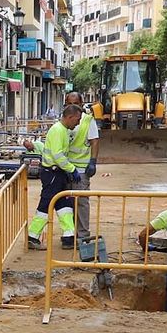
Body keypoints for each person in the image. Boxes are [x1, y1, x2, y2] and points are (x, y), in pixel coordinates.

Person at [26, 105, 88, 250]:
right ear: (70, 117)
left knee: (64, 205)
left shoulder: (62, 130)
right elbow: (57, 155)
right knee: (46, 205)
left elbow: (53, 151)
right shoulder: (58, 130)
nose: (78, 123)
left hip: (58, 174)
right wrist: (72, 169)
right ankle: (32, 237)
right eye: (77, 120)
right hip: (53, 173)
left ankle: (69, 237)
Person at [64, 91, 100, 243]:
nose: (73, 106)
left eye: (76, 104)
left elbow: (94, 141)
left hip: (81, 171)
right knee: (66, 203)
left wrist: (92, 161)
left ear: (81, 104)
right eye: (70, 104)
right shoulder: (63, 120)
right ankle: (70, 234)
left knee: (82, 202)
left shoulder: (87, 120)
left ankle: (83, 235)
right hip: (65, 168)